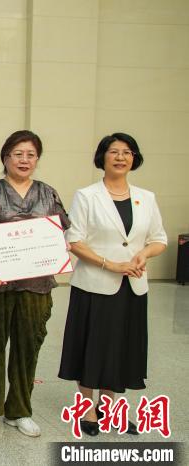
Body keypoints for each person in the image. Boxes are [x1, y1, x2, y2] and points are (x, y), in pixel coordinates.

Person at [58, 133, 167, 436]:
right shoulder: (87, 195)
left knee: (120, 347)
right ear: (102, 157)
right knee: (90, 346)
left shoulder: (146, 197)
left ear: (134, 158)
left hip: (133, 286)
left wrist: (144, 254)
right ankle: (87, 409)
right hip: (94, 285)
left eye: (127, 152)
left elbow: (159, 239)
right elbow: (74, 240)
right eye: (114, 151)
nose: (121, 157)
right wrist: (111, 264)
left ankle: (108, 408)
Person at [0, 130, 70, 438]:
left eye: (31, 155)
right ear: (6, 157)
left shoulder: (48, 193)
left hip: (35, 284)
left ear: (37, 159)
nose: (24, 160)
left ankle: (19, 411)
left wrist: (58, 255)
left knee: (28, 347)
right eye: (18, 154)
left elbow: (61, 232)